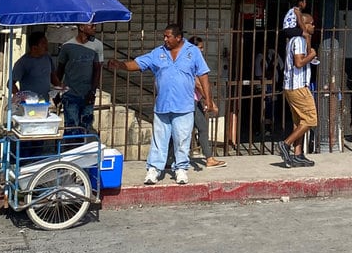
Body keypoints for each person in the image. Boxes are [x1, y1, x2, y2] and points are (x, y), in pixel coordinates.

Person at [109, 24, 214, 186]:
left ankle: (181, 169)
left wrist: (208, 99)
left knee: (182, 140)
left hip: (184, 106)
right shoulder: (158, 53)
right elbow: (138, 63)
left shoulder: (193, 52)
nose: (165, 39)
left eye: (168, 36)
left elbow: (203, 76)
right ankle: (154, 169)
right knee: (159, 140)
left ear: (178, 38)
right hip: (163, 106)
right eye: (164, 36)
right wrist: (121, 65)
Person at [277, 15, 319, 167]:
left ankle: (298, 154)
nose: (314, 26)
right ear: (304, 25)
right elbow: (299, 63)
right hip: (298, 86)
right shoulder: (299, 41)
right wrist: (312, 55)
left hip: (291, 86)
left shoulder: (294, 41)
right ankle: (285, 144)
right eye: (311, 23)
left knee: (299, 121)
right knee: (311, 119)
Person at [56, 22, 101, 132]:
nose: (94, 28)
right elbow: (60, 70)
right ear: (81, 27)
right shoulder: (67, 46)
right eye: (91, 26)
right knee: (72, 128)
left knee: (85, 128)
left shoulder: (97, 45)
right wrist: (56, 91)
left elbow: (97, 70)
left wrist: (92, 91)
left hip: (87, 94)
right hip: (70, 94)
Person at [189, 38, 226, 169]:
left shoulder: (190, 59)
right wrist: (210, 102)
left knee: (184, 130)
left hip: (194, 100)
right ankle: (209, 158)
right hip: (191, 100)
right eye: (200, 47)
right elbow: (198, 84)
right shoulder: (192, 61)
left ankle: (169, 158)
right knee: (202, 128)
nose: (202, 50)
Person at [11, 30, 57, 101]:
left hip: (44, 102)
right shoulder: (23, 62)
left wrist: (60, 87)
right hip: (29, 103)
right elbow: (10, 84)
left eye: (46, 43)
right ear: (34, 48)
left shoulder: (47, 58)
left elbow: (52, 77)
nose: (46, 47)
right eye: (43, 44)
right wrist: (20, 96)